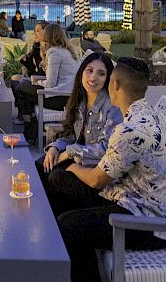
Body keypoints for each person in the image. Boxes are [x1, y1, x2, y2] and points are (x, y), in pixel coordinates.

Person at [51, 57, 166, 282]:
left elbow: (97, 180)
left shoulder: (130, 130)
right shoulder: (150, 114)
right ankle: (64, 264)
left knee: (68, 225)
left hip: (149, 222)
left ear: (113, 84)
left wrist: (74, 166)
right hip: (133, 195)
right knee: (60, 183)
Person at [36, 52, 123, 212]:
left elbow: (106, 149)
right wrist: (55, 147)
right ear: (82, 72)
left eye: (101, 73)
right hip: (80, 158)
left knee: (56, 177)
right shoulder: (80, 99)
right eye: (89, 70)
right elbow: (70, 135)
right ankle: (49, 216)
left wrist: (69, 153)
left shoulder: (112, 107)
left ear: (108, 78)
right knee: (41, 165)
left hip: (98, 171)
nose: (93, 77)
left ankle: (61, 219)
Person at [13, 24, 79, 138]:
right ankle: (31, 124)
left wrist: (36, 82)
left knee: (21, 88)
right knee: (23, 89)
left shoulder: (54, 52)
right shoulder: (67, 51)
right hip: (68, 96)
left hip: (60, 99)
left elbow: (50, 83)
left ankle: (30, 125)